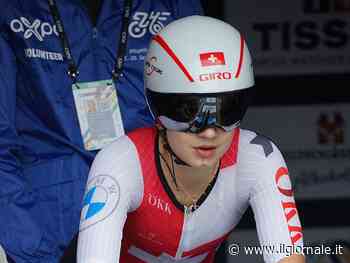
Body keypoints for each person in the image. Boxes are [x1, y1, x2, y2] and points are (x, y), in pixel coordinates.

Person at [77, 16, 305, 263]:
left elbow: (288, 258)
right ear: (158, 107)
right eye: (188, 111)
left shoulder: (259, 157)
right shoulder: (120, 161)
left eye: (228, 110)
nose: (209, 132)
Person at [0, 1, 202, 262]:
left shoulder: (172, 5)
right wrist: (32, 247)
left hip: (148, 228)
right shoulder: (13, 8)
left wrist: (173, 234)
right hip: (43, 228)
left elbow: (200, 128)